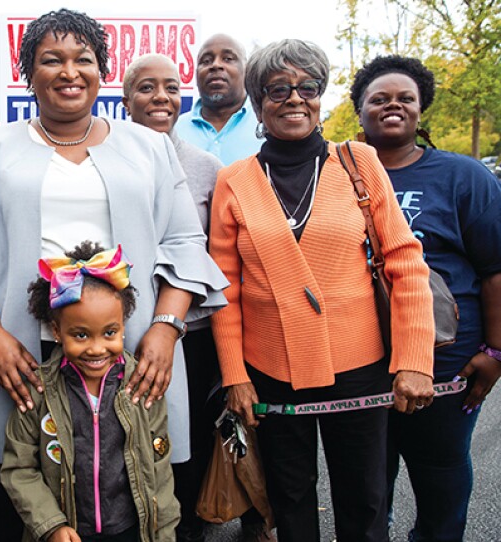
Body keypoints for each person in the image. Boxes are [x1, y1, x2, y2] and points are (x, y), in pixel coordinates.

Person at [0, 9, 228, 541]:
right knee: (22, 500)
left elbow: (184, 242)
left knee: (131, 493)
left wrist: (166, 327)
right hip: (22, 357)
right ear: (29, 72)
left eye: (83, 59)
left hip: (128, 348)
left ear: (101, 70)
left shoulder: (151, 147)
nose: (69, 71)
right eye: (52, 59)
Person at [210, 40, 435, 542]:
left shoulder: (359, 162)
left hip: (359, 366)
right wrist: (234, 375)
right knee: (289, 501)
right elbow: (223, 288)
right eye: (277, 89)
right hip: (270, 370)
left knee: (365, 499)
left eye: (307, 87)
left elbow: (404, 260)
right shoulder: (234, 181)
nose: (294, 98)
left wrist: (415, 359)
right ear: (257, 102)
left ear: (320, 95)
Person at [351, 55, 501, 542]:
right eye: (379, 98)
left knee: (441, 475)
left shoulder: (464, 177)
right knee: (367, 483)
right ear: (360, 111)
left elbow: (495, 271)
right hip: (360, 361)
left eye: (405, 98)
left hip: (446, 361)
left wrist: (495, 353)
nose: (393, 105)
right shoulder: (333, 174)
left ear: (421, 109)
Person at [122, 53, 252, 542]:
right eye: (147, 88)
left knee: (190, 434)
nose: (161, 98)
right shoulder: (106, 161)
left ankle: (189, 524)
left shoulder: (207, 168)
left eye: (172, 88)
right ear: (126, 99)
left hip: (191, 332)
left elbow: (220, 254)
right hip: (124, 329)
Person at [1, 242, 179, 542]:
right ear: (57, 332)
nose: (96, 348)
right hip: (67, 532)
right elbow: (18, 468)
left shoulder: (142, 385)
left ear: (123, 326)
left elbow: (159, 472)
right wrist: (51, 525)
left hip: (130, 531)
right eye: (81, 335)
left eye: (109, 333)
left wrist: (163, 535)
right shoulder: (39, 391)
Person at [175, 34, 262, 165]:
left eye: (228, 59)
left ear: (246, 70)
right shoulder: (174, 131)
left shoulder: (266, 126)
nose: (215, 65)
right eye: (206, 61)